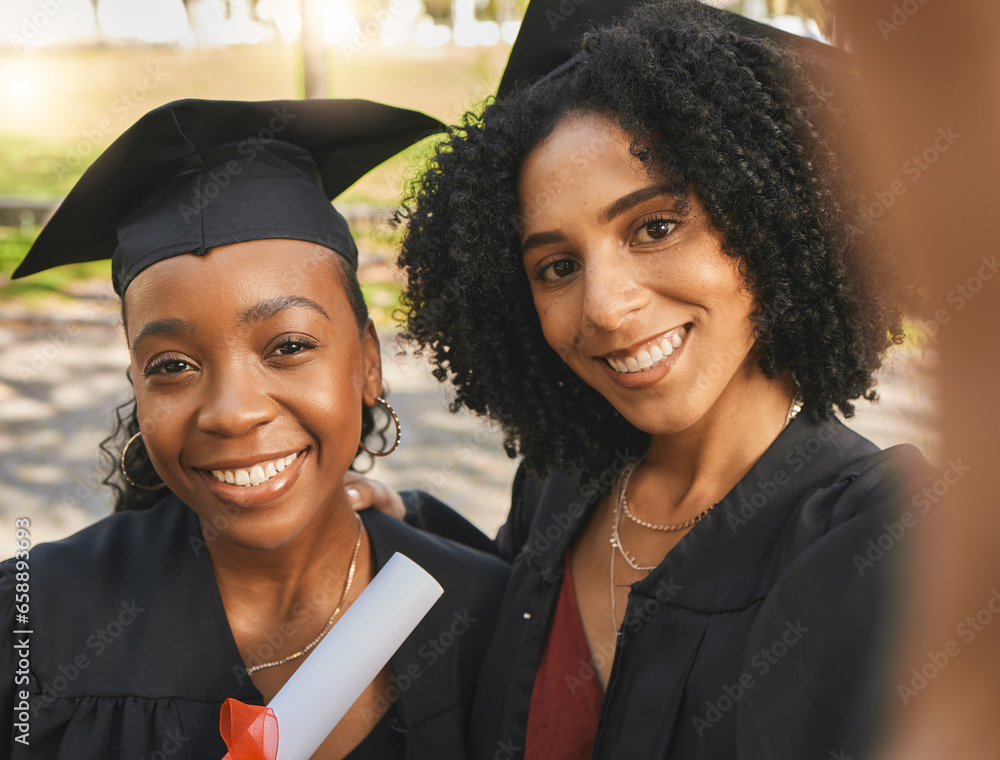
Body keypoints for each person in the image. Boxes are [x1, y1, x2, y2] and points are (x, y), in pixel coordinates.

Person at [389, 1, 931, 758]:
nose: (605, 308)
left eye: (655, 226)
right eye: (557, 266)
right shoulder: (560, 487)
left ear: (766, 216)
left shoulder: (887, 539)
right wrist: (390, 520)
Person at [1, 98, 508, 760]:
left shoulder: (488, 616)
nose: (233, 412)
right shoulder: (36, 626)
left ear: (369, 364)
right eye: (173, 365)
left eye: (289, 346)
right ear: (136, 387)